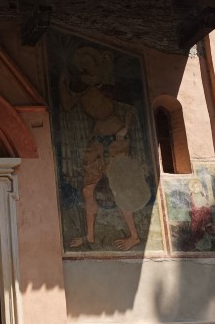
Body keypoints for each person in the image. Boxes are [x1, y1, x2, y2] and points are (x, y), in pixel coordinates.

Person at [61, 47, 150, 251]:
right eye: (82, 64)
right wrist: (62, 82)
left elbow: (129, 107)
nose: (85, 67)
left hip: (116, 141)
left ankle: (134, 236)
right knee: (87, 189)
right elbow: (66, 104)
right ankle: (90, 237)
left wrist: (126, 127)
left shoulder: (107, 86)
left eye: (88, 62)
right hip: (97, 142)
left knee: (119, 188)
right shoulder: (81, 87)